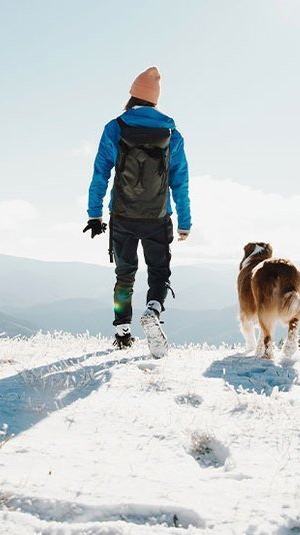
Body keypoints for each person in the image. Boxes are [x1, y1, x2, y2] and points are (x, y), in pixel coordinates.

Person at [83, 66, 190, 357]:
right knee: (159, 271)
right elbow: (180, 180)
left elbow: (100, 173)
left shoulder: (115, 127)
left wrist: (95, 215)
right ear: (155, 100)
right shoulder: (171, 134)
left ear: (131, 96)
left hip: (122, 215)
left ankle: (122, 331)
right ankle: (153, 309)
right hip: (157, 216)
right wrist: (185, 221)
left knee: (124, 273)